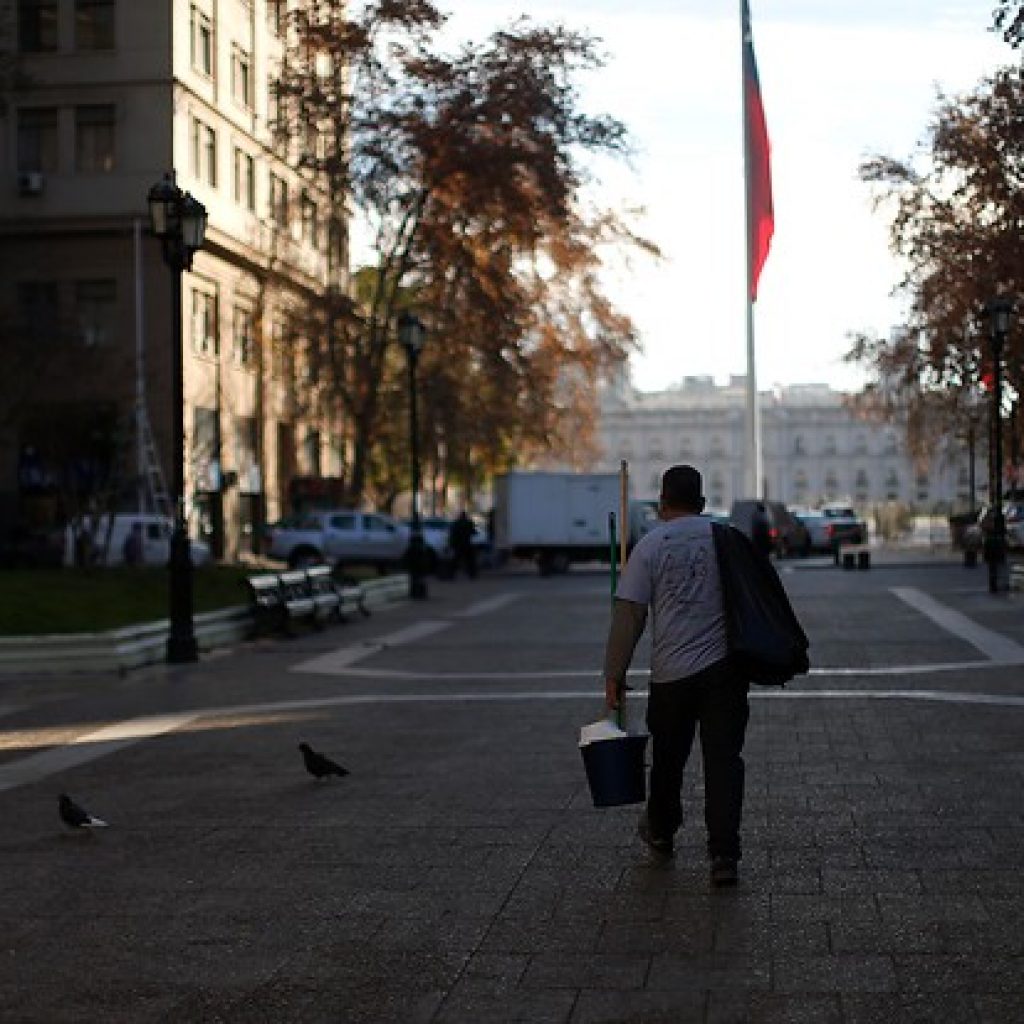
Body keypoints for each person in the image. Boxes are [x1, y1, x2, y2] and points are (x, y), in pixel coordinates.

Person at [603, 464, 751, 887]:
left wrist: (614, 675)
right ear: (703, 504)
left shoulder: (650, 547)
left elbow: (628, 616)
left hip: (670, 675)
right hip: (724, 671)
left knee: (668, 761)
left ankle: (663, 831)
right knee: (723, 762)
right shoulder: (726, 540)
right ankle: (724, 855)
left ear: (663, 502)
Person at [447, 509, 478, 579]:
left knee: (456, 560)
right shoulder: (468, 523)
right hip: (466, 544)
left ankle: (451, 574)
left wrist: (451, 544)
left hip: (458, 544)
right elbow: (473, 532)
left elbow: (452, 534)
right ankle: (472, 574)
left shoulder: (456, 523)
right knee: (470, 560)